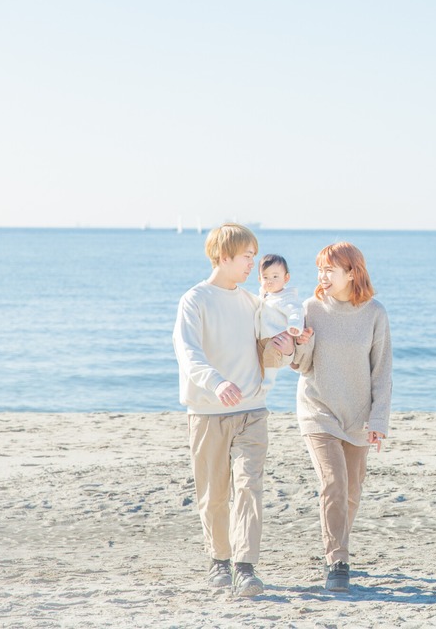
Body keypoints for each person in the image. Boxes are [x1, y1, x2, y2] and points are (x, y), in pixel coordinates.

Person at [172, 223, 295, 597]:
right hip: (208, 411)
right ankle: (219, 561)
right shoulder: (194, 300)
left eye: (254, 259)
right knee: (213, 494)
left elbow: (271, 352)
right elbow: (187, 351)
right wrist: (217, 382)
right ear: (223, 257)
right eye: (246, 258)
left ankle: (245, 566)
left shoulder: (253, 302)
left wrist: (287, 348)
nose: (252, 266)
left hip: (253, 411)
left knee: (249, 487)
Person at [291, 241, 392, 593]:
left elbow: (381, 371)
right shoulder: (311, 308)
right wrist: (301, 343)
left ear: (352, 272)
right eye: (320, 269)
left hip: (358, 417)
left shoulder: (375, 313)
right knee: (333, 483)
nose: (323, 276)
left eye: (330, 269)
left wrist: (379, 421)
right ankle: (338, 560)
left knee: (351, 492)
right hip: (318, 411)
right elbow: (302, 365)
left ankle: (336, 546)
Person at [257, 253, 304, 378]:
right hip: (262, 339)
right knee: (257, 358)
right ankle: (260, 379)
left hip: (277, 339)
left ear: (286, 278)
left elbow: (296, 312)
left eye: (275, 276)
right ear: (259, 279)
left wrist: (294, 325)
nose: (270, 281)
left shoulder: (287, 298)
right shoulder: (263, 297)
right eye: (265, 277)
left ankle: (270, 378)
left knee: (270, 354)